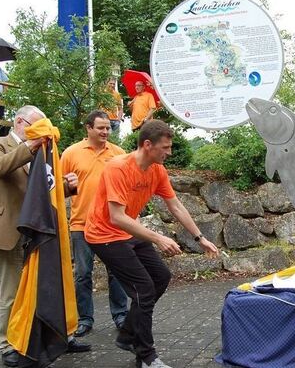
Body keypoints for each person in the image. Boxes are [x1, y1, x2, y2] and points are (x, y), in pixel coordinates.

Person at [84, 119, 219, 368]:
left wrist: (201, 238)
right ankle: (146, 356)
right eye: (165, 147)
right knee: (143, 289)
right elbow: (117, 217)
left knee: (161, 277)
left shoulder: (157, 170)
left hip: (127, 231)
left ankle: (127, 333)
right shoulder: (118, 168)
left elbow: (176, 206)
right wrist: (158, 237)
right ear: (148, 145)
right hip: (104, 235)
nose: (169, 152)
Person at [0, 105, 90, 367]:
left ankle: (59, 335)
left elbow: (46, 190)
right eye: (37, 125)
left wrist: (67, 186)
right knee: (11, 292)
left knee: (48, 286)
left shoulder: (45, 150)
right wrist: (30, 146)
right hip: (10, 229)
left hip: (40, 230)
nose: (43, 131)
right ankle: (8, 345)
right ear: (21, 122)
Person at [61, 110, 129, 338]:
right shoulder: (71, 153)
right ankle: (85, 319)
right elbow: (59, 190)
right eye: (100, 127)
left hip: (112, 225)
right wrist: (69, 185)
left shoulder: (119, 154)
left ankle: (121, 315)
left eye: (108, 127)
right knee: (82, 274)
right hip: (81, 225)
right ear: (88, 128)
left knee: (117, 272)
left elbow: (128, 186)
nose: (105, 131)